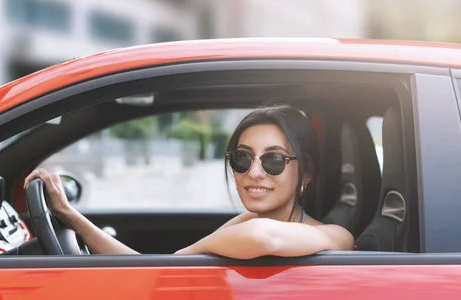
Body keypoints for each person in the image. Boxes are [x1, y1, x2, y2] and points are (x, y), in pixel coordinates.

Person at [24, 104, 354, 258]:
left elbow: (264, 238)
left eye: (274, 160)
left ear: (306, 175)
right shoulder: (246, 222)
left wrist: (195, 250)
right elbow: (150, 271)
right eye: (242, 157)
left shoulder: (336, 236)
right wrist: (70, 216)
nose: (254, 172)